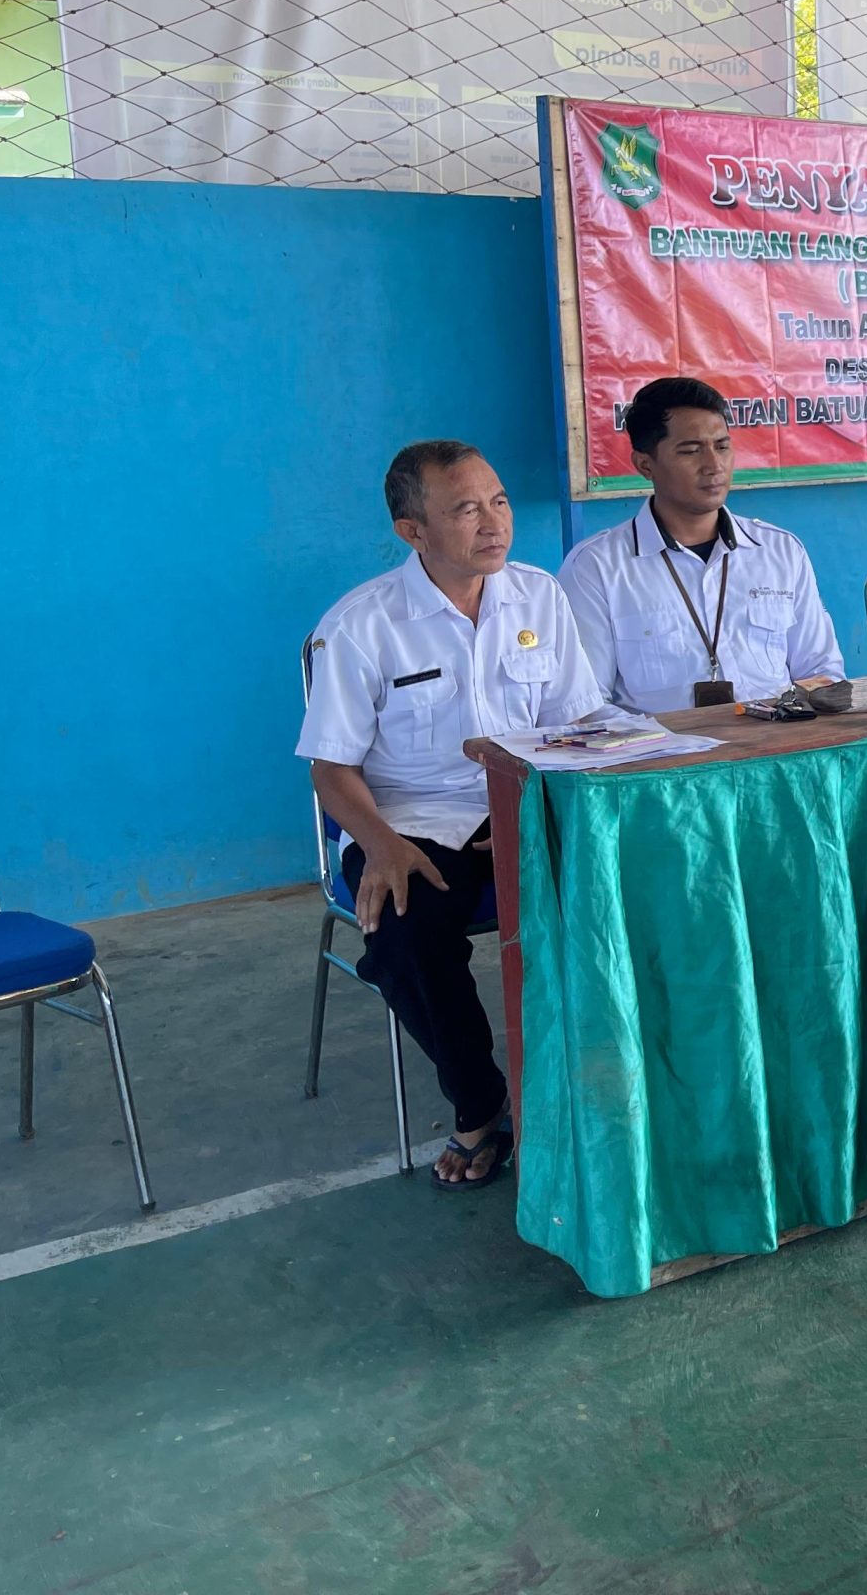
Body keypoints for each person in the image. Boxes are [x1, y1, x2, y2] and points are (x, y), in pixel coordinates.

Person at [298, 441, 608, 1188]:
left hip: (526, 805)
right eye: (467, 509)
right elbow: (331, 770)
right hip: (411, 823)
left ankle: (613, 1084)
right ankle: (481, 1104)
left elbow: (577, 726)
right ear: (413, 531)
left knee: (635, 885)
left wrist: (535, 805)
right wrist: (379, 845)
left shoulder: (538, 596)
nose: (494, 523)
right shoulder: (361, 624)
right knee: (406, 931)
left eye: (498, 502)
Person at [558, 377, 843, 713]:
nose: (713, 465)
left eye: (722, 447)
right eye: (691, 451)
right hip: (662, 746)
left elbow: (821, 671)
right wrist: (672, 740)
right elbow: (587, 704)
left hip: (776, 743)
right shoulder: (596, 567)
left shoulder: (780, 551)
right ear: (645, 464)